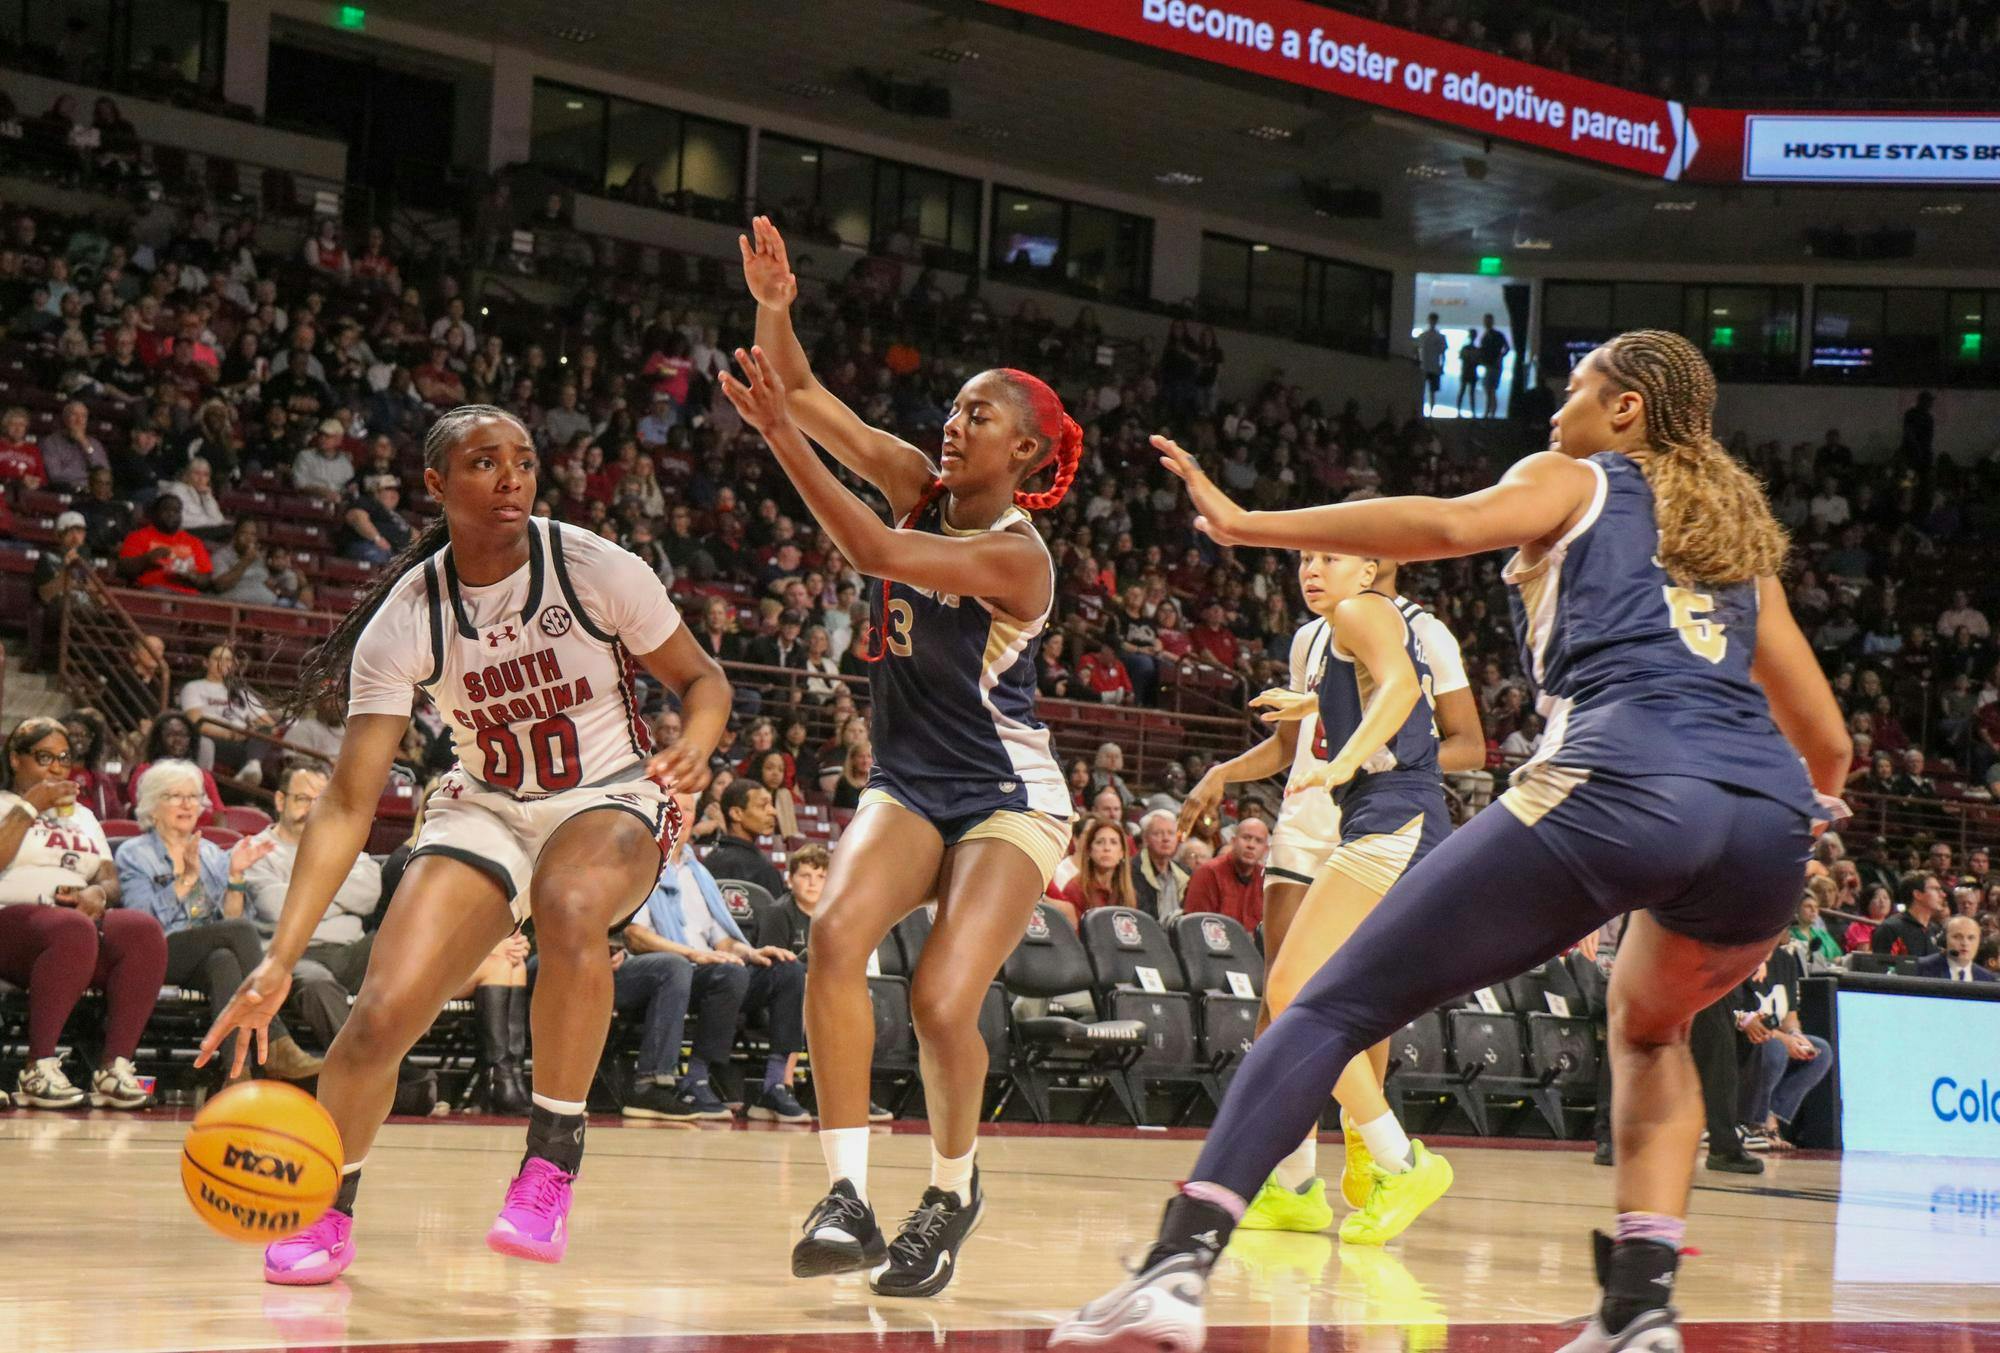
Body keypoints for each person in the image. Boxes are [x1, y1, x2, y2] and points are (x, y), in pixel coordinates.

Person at [1055, 329, 1849, 1353]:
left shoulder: (1577, 478)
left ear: (1625, 411)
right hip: (1764, 823)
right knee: (1648, 1032)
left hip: (1619, 778)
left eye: (1572, 390)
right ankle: (1639, 1310)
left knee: (1329, 1001)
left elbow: (1443, 522)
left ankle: (1175, 1265)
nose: (1555, 409)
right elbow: (1823, 740)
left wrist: (1248, 521)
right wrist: (1791, 815)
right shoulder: (1741, 552)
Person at [195, 405, 731, 1286]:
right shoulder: (407, 616)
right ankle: (328, 1211)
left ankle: (549, 1161)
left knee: (569, 904)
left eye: (524, 460)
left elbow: (703, 678)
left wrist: (698, 742)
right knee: (375, 1020)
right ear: (437, 485)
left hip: (610, 795)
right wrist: (280, 957)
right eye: (486, 463)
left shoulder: (591, 564)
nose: (513, 477)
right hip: (485, 804)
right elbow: (345, 803)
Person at [737, 216, 1078, 1298]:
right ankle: (844, 1194)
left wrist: (780, 444)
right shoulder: (913, 481)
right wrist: (776, 309)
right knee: (832, 936)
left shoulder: (1016, 561)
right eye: (953, 406)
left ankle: (949, 1190)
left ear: (1022, 451)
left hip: (1004, 794)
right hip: (910, 781)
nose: (952, 420)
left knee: (938, 999)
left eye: (978, 412)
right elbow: (802, 395)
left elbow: (874, 553)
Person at [1178, 546, 1473, 1242]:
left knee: (1296, 991)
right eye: (1306, 557)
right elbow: (1380, 682)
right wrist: (1311, 702)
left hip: (1394, 816)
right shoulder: (1341, 625)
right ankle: (1356, 1167)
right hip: (1382, 818)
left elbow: (1401, 687)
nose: (1312, 568)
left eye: (1331, 556)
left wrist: (1340, 759)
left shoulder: (1359, 609)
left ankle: (1396, 1162)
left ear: (1373, 568)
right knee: (1301, 998)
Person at [115, 760, 322, 1085]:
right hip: (157, 952)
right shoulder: (134, 853)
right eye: (175, 796)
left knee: (223, 960)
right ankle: (278, 1041)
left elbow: (231, 924)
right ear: (153, 806)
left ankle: (236, 1075)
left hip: (202, 954)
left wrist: (236, 876)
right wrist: (187, 878)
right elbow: (145, 922)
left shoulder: (213, 853)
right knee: (237, 936)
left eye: (194, 797)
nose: (187, 804)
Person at [0, 717, 166, 1109]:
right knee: (72, 928)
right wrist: (29, 807)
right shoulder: (6, 806)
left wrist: (98, 893)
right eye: (44, 758)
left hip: (71, 934)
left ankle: (114, 1067)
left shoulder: (85, 818)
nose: (57, 768)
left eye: (64, 758)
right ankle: (37, 1066)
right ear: (15, 759)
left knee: (141, 930)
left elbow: (109, 878)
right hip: (12, 924)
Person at [619, 828, 808, 1122]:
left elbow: (723, 941)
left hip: (707, 971)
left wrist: (750, 952)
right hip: (661, 971)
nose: (683, 818)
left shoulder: (700, 875)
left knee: (787, 969)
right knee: (723, 972)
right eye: (678, 807)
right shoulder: (641, 867)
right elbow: (635, 936)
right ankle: (696, 1079)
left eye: (690, 810)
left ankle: (775, 1086)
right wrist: (694, 954)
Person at [702, 777, 789, 899]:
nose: (773, 812)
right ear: (736, 814)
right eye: (763, 805)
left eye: (771, 805)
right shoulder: (763, 870)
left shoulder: (708, 862)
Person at [1182, 815, 1270, 931]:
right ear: (1233, 842)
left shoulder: (1267, 880)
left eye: (1258, 841)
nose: (1251, 845)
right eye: (1246, 838)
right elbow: (1195, 928)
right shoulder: (1207, 873)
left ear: (1265, 850)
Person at [1054, 816, 1137, 922]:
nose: (1106, 848)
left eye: (1113, 842)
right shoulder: (1075, 889)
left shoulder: (1128, 892)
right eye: (1099, 842)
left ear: (1122, 853)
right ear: (1089, 850)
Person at [1131, 809, 1189, 922]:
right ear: (1145, 838)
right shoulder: (1131, 871)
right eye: (1158, 833)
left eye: (1171, 833)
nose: (1166, 839)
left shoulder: (1186, 873)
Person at [1872, 872, 1945, 958]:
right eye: (1935, 889)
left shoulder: (1936, 930)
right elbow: (1883, 967)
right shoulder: (1890, 929)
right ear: (1917, 894)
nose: (1943, 894)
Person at [1915, 916, 1997, 983]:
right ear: (1944, 940)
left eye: (1971, 938)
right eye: (1957, 937)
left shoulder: (1987, 978)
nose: (1965, 943)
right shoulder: (1922, 968)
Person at [1478, 313, 1511, 418]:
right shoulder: (1487, 336)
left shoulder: (1493, 335)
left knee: (1490, 389)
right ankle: (1490, 412)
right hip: (1491, 365)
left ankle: (1489, 412)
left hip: (1494, 365)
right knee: (1490, 389)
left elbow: (1506, 348)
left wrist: (1500, 357)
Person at [1416, 312, 1448, 414]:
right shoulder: (1425, 336)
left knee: (1430, 391)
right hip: (1426, 366)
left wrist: (1442, 366)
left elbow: (1443, 354)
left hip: (1430, 367)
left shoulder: (1435, 337)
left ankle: (1430, 412)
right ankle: (1427, 412)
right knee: (1426, 391)